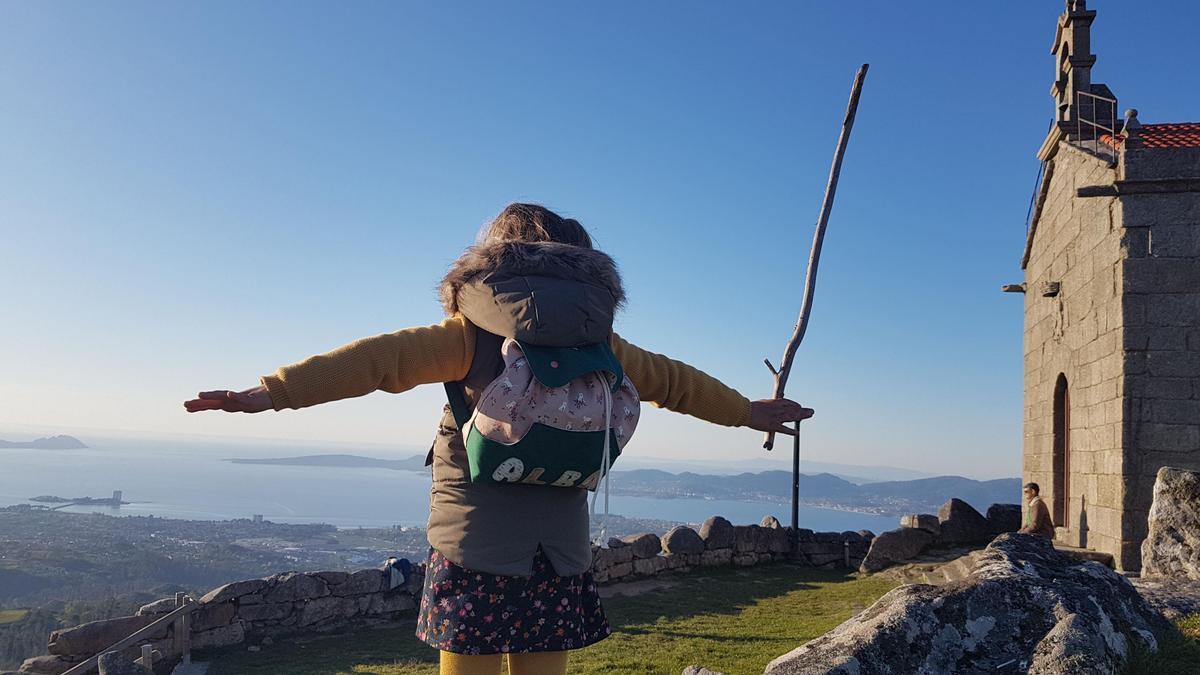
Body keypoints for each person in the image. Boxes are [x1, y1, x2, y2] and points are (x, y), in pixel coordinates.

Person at [184, 203, 814, 675]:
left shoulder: (467, 337)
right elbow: (678, 383)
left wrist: (265, 394)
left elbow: (371, 362)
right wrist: (748, 412)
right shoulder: (603, 348)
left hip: (474, 546)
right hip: (559, 554)